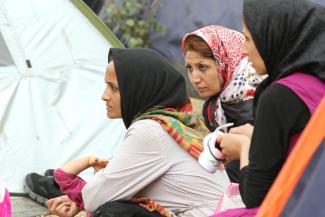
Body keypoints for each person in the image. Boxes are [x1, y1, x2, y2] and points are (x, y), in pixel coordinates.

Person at [46, 48, 230, 217]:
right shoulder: (171, 124)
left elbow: (95, 199)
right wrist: (83, 197)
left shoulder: (150, 130)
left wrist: (83, 194)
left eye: (114, 88)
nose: (104, 95)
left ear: (139, 90)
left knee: (113, 213)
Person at [213, 0, 325, 215]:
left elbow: (255, 196)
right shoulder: (316, 85)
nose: (244, 51)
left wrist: (244, 146)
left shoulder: (281, 95)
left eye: (247, 38)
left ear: (275, 34)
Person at [181, 25, 261, 182]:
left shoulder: (255, 100)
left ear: (225, 62)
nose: (195, 78)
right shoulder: (214, 106)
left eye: (202, 67)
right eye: (190, 68)